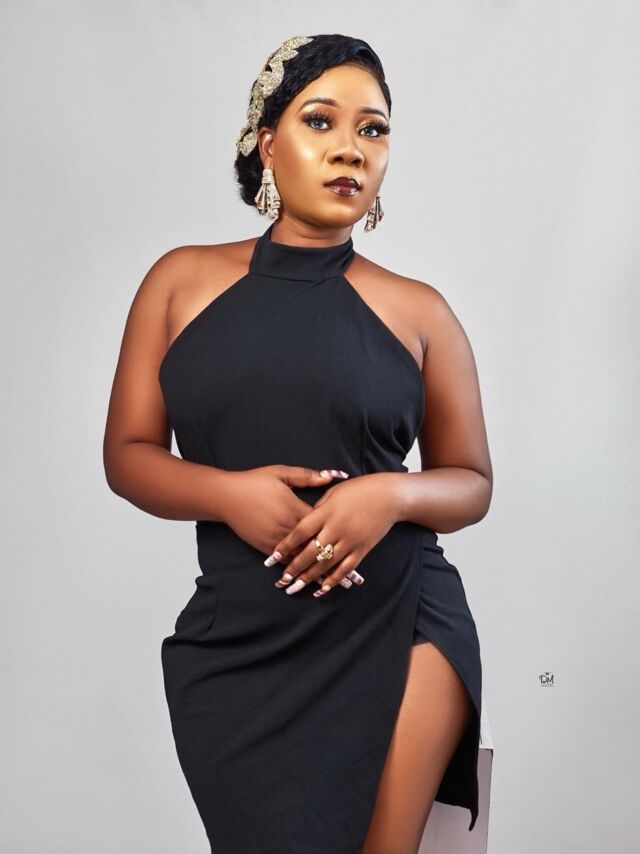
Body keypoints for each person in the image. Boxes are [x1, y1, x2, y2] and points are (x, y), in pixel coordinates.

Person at [103, 33, 492, 854]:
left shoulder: (420, 311)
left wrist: (388, 495)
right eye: (321, 121)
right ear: (267, 143)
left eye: (373, 129)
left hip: (401, 622)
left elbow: (471, 481)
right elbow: (128, 455)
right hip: (239, 644)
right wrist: (227, 494)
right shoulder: (179, 283)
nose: (351, 148)